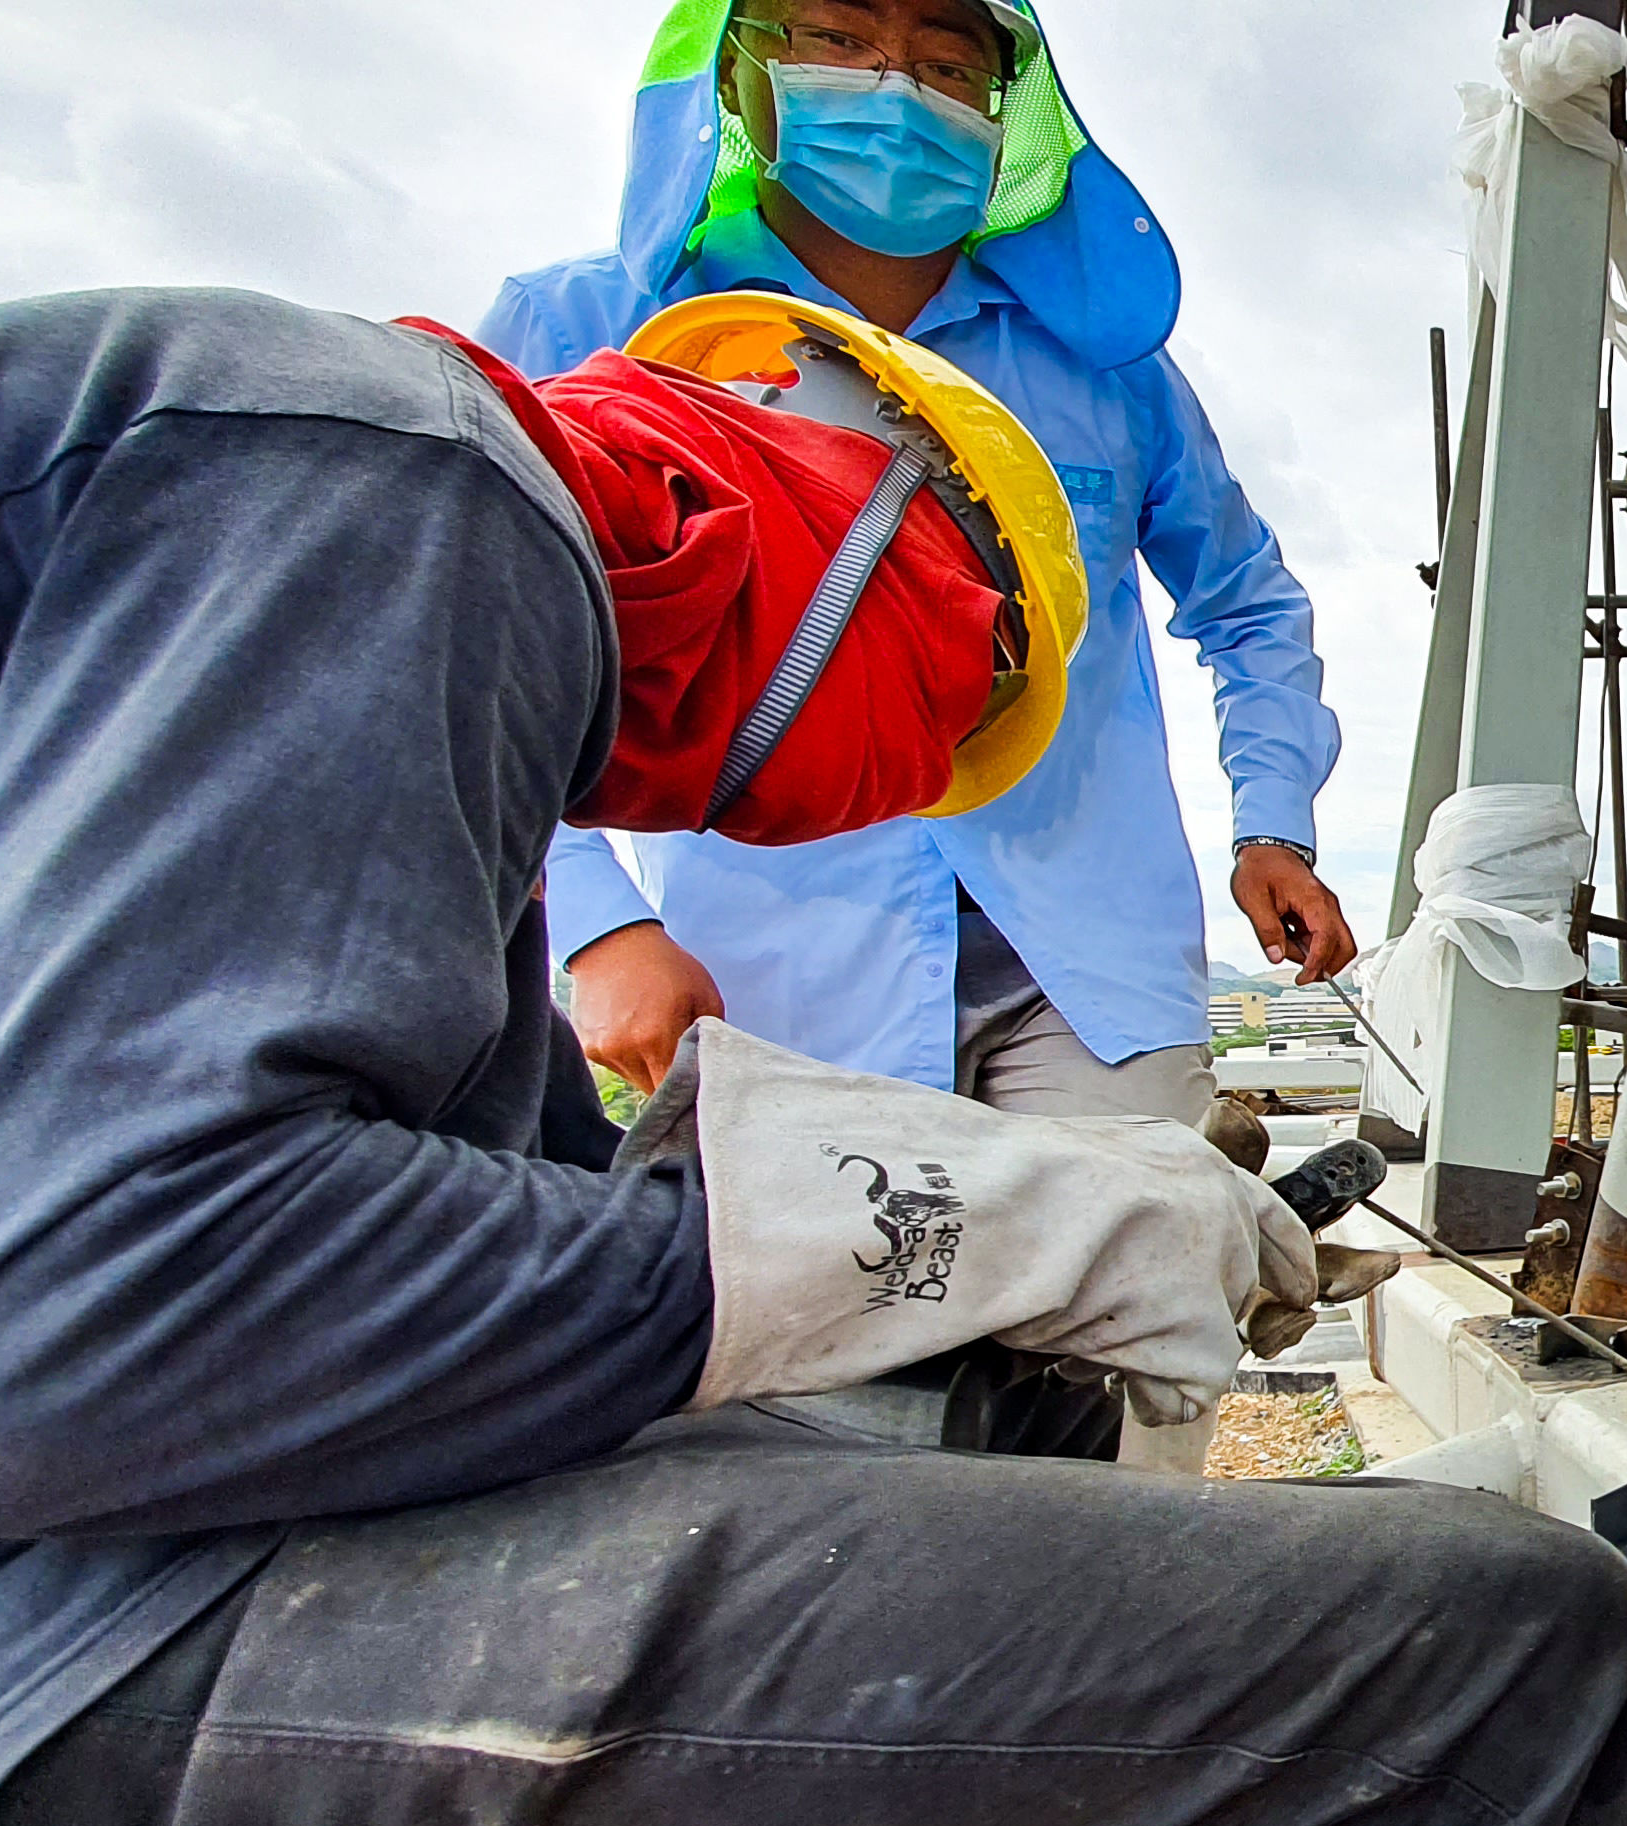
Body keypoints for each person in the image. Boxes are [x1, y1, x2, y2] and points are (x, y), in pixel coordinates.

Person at [0, 287, 1627, 1826]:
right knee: (1498, 1654)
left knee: (998, 1461)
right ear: (834, 496)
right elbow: (45, 1336)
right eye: (948, 701)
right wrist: (935, 1219)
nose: (896, 794)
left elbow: (399, 1284)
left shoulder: (315, 584)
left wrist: (925, 1292)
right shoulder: (401, 472)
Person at [483, 0, 1356, 1143]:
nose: (897, 87)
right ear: (738, 76)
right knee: (839, 1318)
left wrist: (1273, 825)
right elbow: (478, 653)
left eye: (949, 62)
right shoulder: (591, 327)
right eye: (836, 39)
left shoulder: (1105, 366)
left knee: (1127, 1297)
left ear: (1005, 118)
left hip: (1092, 968)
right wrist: (598, 926)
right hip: (775, 979)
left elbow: (1247, 599)